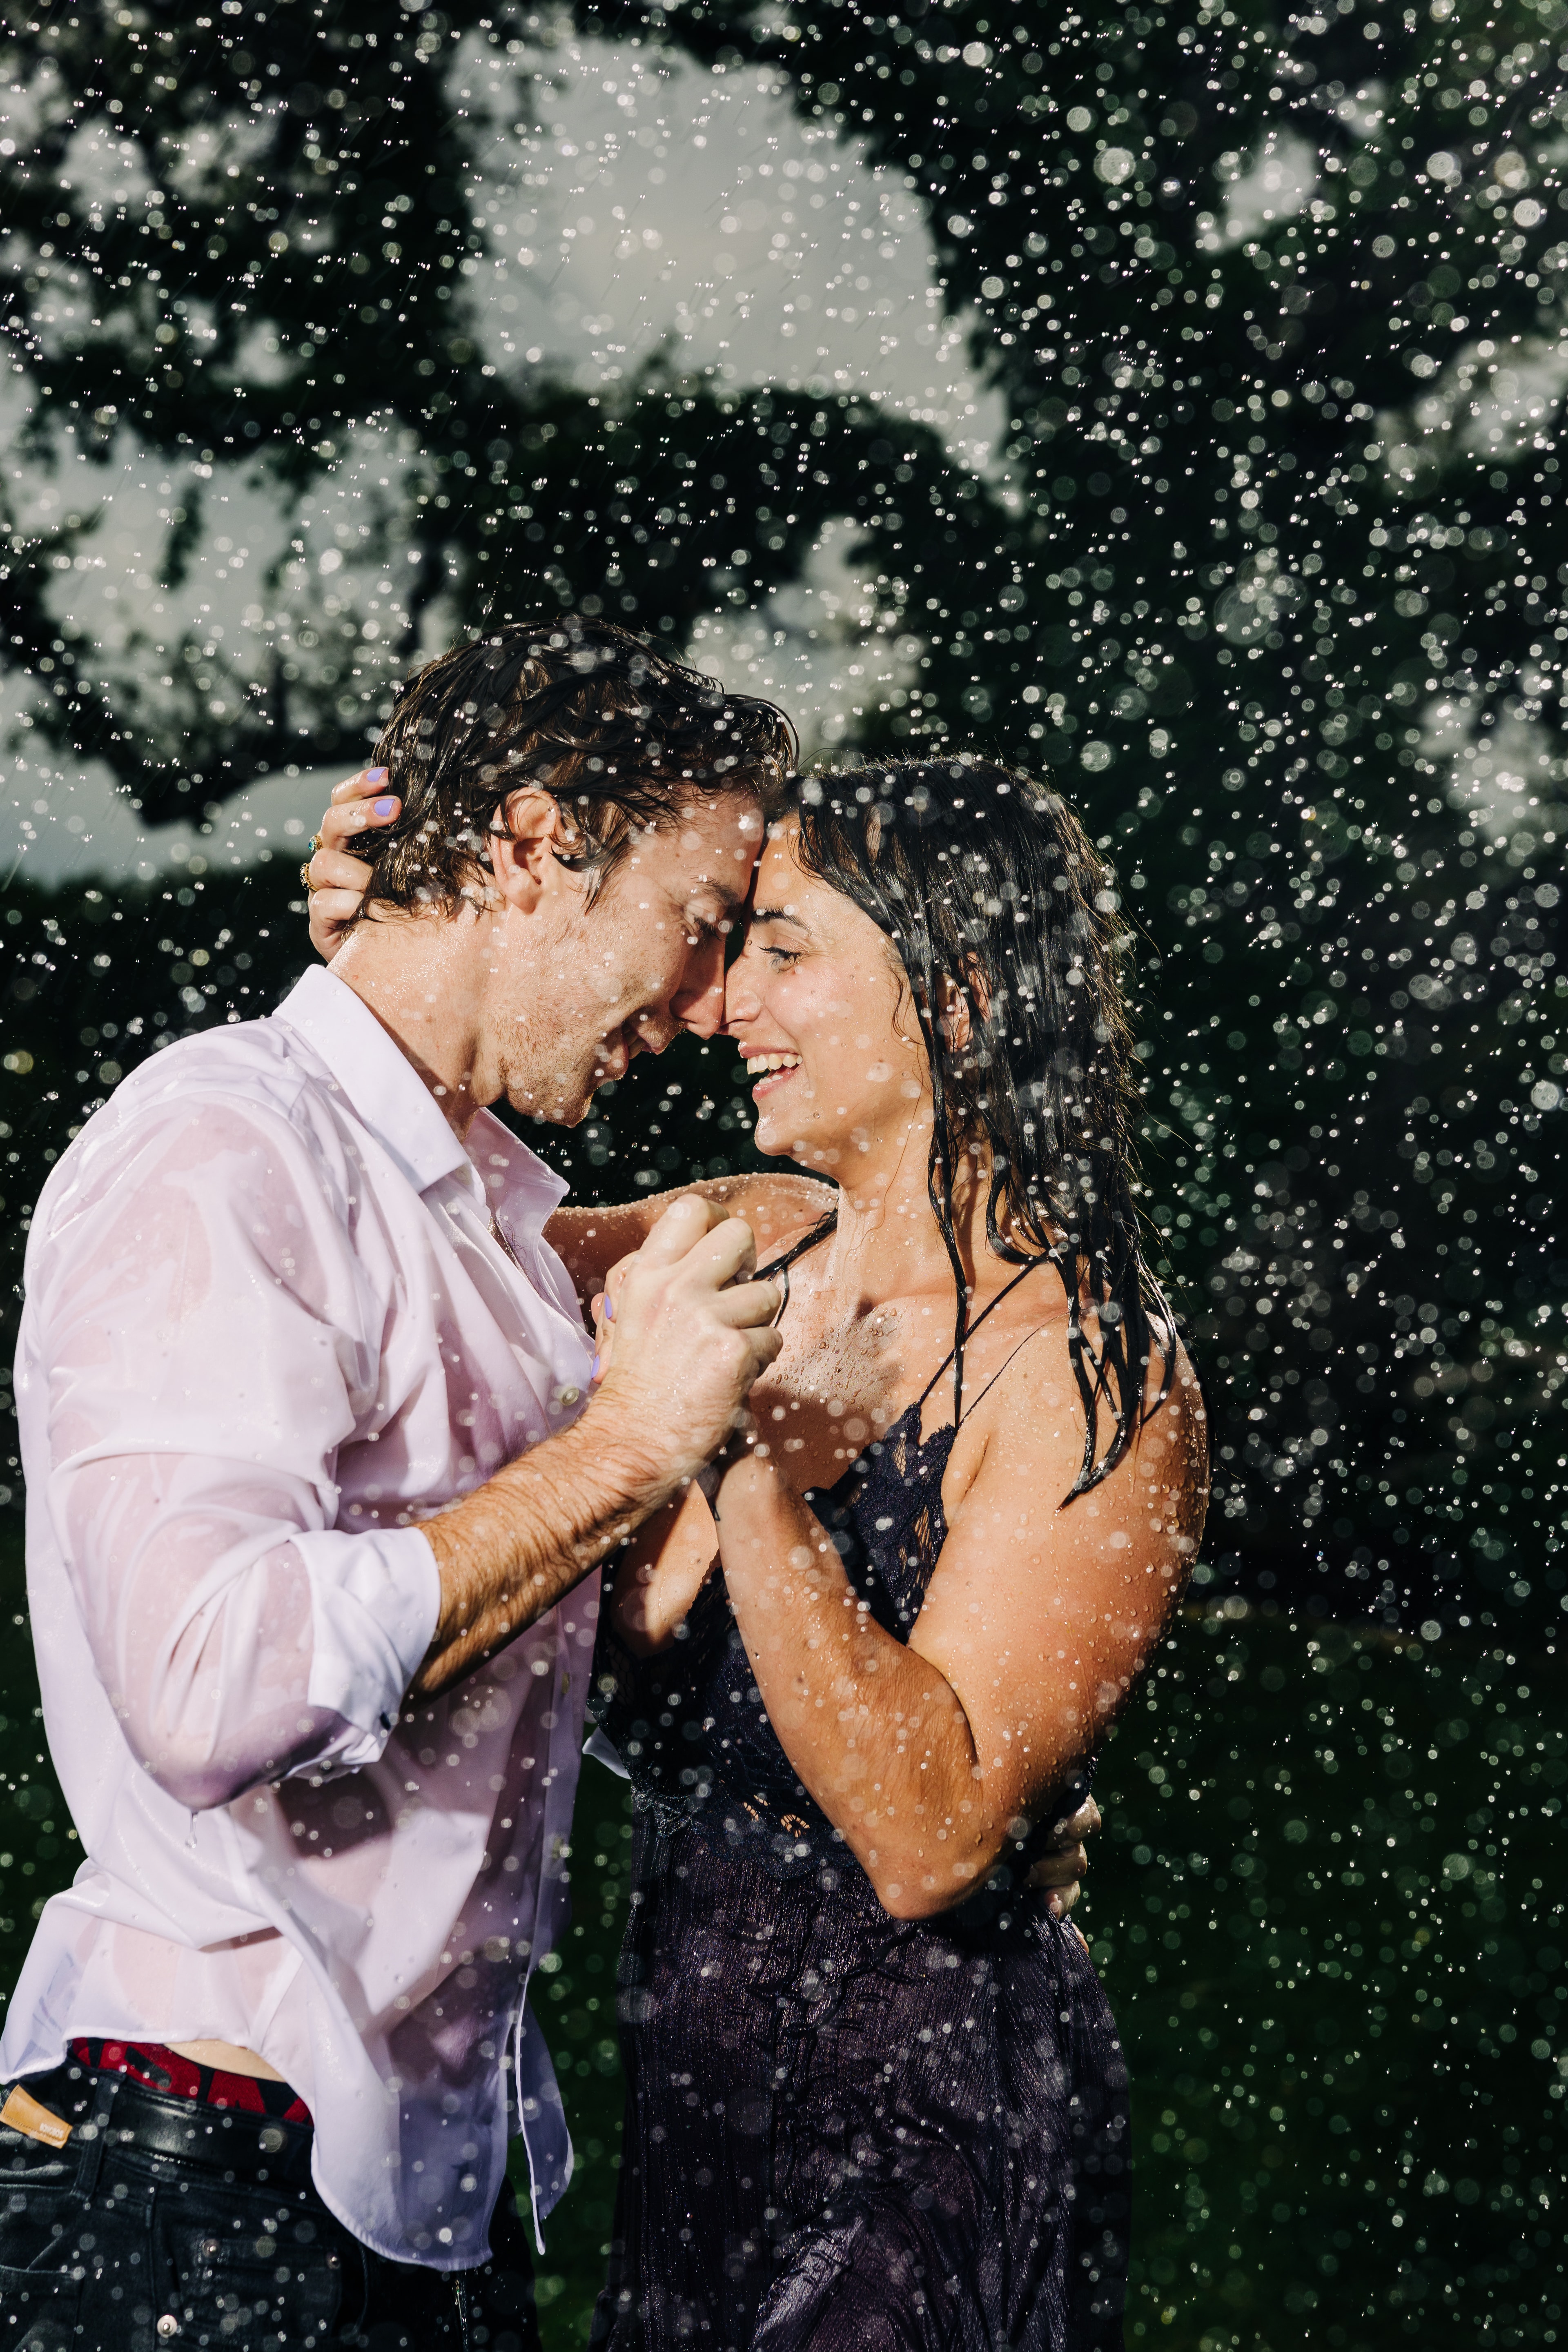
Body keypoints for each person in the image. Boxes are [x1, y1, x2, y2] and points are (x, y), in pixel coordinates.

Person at [320, 753, 1209, 2352]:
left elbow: (931, 1837)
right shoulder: (746, 1238)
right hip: (693, 2092)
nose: (727, 1001)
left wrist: (733, 1464)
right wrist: (383, 969)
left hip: (934, 2126)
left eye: (786, 950)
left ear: (965, 991)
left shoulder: (1086, 1371)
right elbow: (397, 1249)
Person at [0, 620, 808, 2350]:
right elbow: (206, 1683)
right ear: (528, 851)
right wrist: (625, 1452)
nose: (711, 1001)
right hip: (194, 2187)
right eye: (702, 924)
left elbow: (531, 1673)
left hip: (421, 2204)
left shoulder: (498, 1226)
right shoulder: (221, 1144)